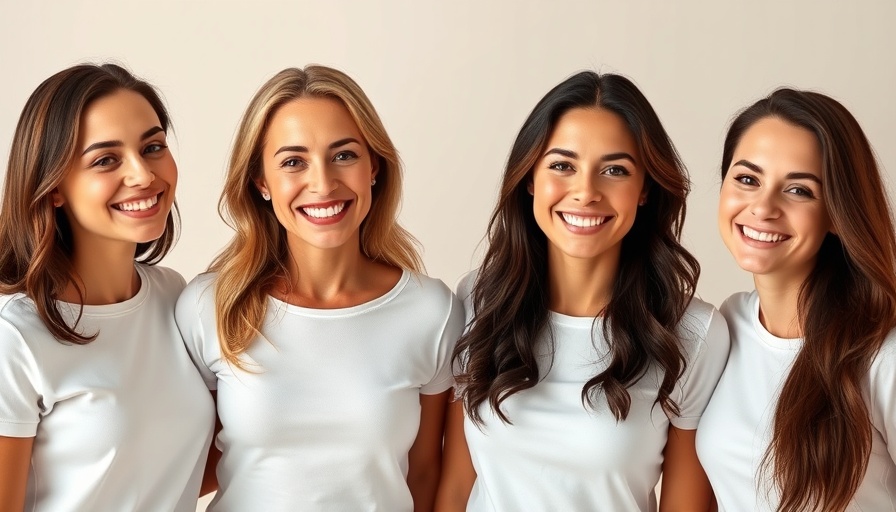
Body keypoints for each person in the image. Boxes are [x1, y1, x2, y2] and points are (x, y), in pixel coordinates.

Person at [435, 71, 730, 511]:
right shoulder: (480, 299)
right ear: (530, 178)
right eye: (562, 166)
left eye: (615, 170)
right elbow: (457, 487)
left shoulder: (692, 332)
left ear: (644, 188)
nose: (586, 192)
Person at [175, 65, 464, 511]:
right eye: (293, 162)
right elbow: (181, 464)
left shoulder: (431, 311)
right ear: (261, 183)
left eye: (344, 155)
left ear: (374, 168)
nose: (323, 183)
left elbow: (424, 474)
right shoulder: (211, 306)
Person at [0, 63, 214, 511]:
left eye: (152, 147)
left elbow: (182, 462)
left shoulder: (176, 297)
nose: (142, 174)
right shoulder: (14, 336)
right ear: (54, 185)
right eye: (105, 159)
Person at [696, 89, 896, 511]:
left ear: (839, 214)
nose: (763, 207)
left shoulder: (883, 354)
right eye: (747, 179)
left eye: (799, 191)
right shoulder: (728, 324)